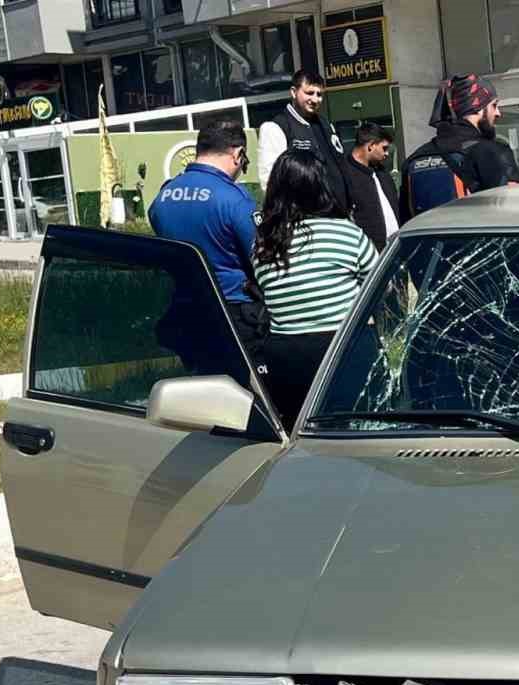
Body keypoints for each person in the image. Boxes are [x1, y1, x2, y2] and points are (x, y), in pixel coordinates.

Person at [252, 150, 379, 427]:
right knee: (355, 429)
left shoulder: (264, 244)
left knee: (302, 431)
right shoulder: (346, 233)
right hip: (343, 349)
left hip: (285, 354)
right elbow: (379, 287)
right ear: (322, 187)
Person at [148, 118, 265, 362]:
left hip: (186, 311)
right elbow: (263, 260)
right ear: (238, 154)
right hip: (235, 314)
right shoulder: (235, 199)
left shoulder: (163, 197)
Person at [401, 73, 516, 220]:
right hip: (476, 241)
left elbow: (405, 221)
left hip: (427, 241)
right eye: (494, 105)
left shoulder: (415, 158)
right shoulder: (493, 152)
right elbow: (513, 213)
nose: (498, 113)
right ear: (478, 107)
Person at [257, 70, 349, 211]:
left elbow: (340, 166)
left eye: (319, 94)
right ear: (294, 92)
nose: (315, 99)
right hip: (306, 219)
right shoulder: (276, 127)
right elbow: (270, 182)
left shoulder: (326, 125)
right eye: (309, 93)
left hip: (340, 213)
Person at [337, 122, 401, 253]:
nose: (387, 153)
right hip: (368, 255)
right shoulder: (344, 175)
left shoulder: (382, 173)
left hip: (395, 251)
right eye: (384, 148)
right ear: (371, 146)